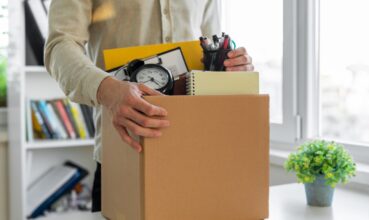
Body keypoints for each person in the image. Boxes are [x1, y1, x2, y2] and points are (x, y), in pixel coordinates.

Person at [44, 0, 254, 212]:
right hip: (124, 158)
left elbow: (212, 48)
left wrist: (231, 67)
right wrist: (107, 88)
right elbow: (60, 44)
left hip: (198, 156)